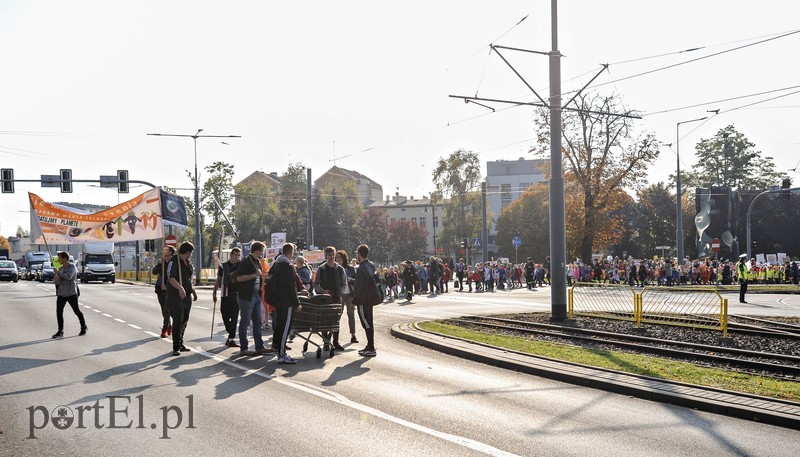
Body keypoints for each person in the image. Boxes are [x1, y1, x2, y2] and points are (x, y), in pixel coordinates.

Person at [234, 241, 272, 357]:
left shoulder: (256, 261)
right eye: (262, 251)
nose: (262, 253)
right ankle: (244, 348)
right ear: (257, 250)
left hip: (256, 295)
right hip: (246, 296)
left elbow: (258, 276)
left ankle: (259, 346)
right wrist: (254, 275)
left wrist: (262, 276)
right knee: (245, 322)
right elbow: (238, 278)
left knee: (258, 322)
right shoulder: (245, 261)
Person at [270, 243, 302, 364]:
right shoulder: (288, 266)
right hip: (286, 301)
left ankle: (276, 346)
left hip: (278, 300)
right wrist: (296, 303)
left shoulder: (275, 264)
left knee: (279, 325)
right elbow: (291, 287)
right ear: (290, 252)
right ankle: (282, 353)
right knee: (285, 328)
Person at [166, 242, 198, 356]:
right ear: (187, 251)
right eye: (191, 252)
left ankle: (180, 342)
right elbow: (171, 278)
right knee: (178, 320)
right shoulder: (173, 261)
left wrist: (192, 290)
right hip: (175, 295)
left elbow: (188, 279)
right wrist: (180, 288)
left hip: (186, 296)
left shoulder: (187, 263)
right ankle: (176, 346)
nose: (191, 255)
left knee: (185, 320)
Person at [313, 246, 346, 351]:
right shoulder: (321, 269)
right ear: (325, 256)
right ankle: (326, 341)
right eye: (329, 255)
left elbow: (344, 284)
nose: (331, 257)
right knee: (324, 320)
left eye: (333, 255)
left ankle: (335, 342)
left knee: (336, 320)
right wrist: (323, 291)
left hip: (336, 298)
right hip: (325, 299)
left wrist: (340, 291)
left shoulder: (340, 269)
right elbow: (316, 284)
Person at [52, 251, 87, 338]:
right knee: (59, 312)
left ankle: (83, 326)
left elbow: (69, 277)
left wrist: (59, 273)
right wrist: (57, 276)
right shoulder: (60, 268)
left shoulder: (72, 267)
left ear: (64, 258)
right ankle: (60, 331)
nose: (58, 260)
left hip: (71, 293)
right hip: (61, 293)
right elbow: (55, 281)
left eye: (60, 258)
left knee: (76, 311)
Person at [213, 247, 241, 348]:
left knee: (234, 317)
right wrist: (214, 292)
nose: (237, 257)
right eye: (235, 255)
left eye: (238, 255)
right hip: (225, 294)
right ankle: (230, 333)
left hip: (237, 294)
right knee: (225, 315)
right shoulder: (223, 266)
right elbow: (219, 279)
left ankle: (231, 338)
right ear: (231, 255)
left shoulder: (240, 265)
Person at [353, 243, 378, 357]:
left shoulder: (361, 268)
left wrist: (355, 300)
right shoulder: (371, 265)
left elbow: (359, 287)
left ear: (359, 254)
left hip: (363, 300)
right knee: (369, 322)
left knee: (366, 323)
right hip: (370, 298)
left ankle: (371, 347)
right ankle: (370, 346)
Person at [336, 249, 359, 344]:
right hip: (340, 294)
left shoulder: (350, 268)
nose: (337, 259)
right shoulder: (335, 268)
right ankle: (333, 335)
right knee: (338, 315)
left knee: (351, 314)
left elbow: (356, 280)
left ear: (344, 258)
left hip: (349, 293)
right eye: (336, 257)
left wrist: (350, 279)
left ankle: (353, 335)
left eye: (339, 257)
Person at [152, 246, 175, 338]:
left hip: (170, 289)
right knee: (164, 310)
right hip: (160, 289)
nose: (164, 251)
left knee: (167, 310)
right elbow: (154, 272)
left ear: (170, 252)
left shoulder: (173, 262)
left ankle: (165, 328)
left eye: (166, 250)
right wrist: (159, 264)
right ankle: (169, 325)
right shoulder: (162, 262)